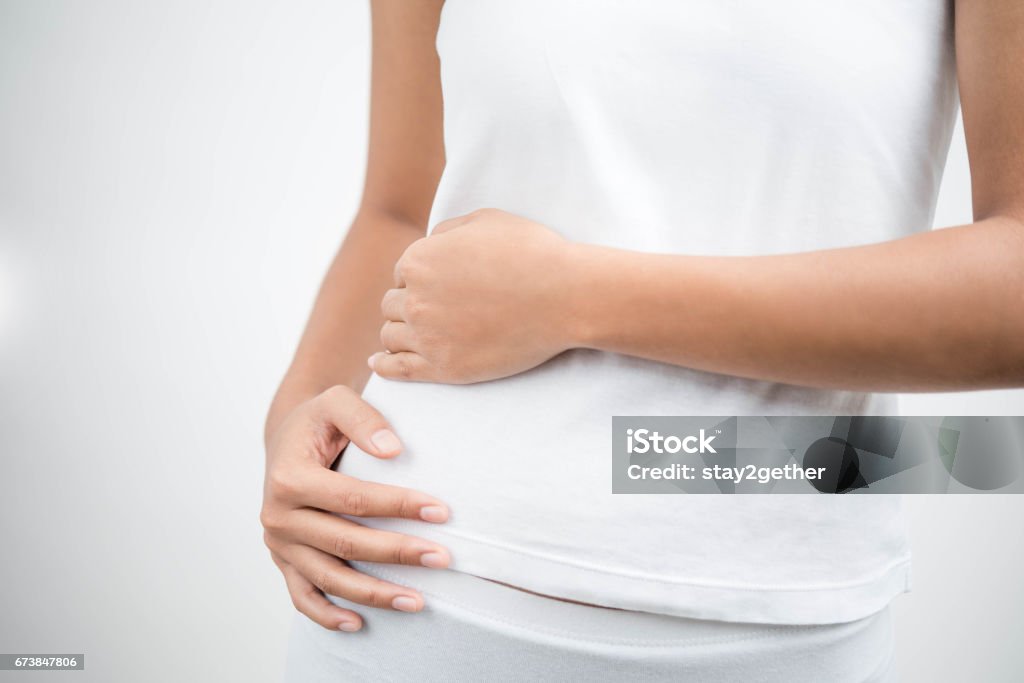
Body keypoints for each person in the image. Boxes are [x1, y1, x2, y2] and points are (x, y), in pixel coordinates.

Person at [261, 1, 1024, 680]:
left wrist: (571, 297)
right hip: (407, 595)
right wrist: (294, 422)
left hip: (782, 609)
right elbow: (398, 210)